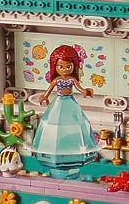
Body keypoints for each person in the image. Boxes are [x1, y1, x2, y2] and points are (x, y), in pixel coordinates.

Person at [31, 45, 98, 177]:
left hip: (70, 101)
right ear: (55, 67)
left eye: (68, 67)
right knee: (53, 125)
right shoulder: (57, 80)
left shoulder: (72, 80)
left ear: (74, 67)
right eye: (60, 67)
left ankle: (73, 157)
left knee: (77, 123)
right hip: (59, 101)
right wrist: (45, 96)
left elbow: (79, 87)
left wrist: (85, 91)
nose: (65, 70)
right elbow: (49, 89)